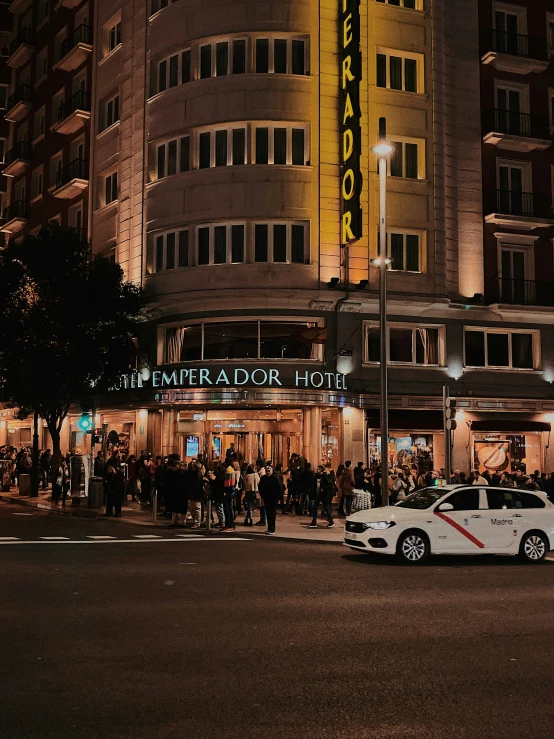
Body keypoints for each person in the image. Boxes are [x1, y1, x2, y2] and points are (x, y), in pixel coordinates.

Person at [165, 458, 189, 527]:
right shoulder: (175, 473)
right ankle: (174, 522)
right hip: (176, 493)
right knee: (174, 508)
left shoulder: (186, 474)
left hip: (183, 493)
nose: (181, 467)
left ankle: (183, 522)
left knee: (183, 509)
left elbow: (188, 484)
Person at [259, 464, 282, 535]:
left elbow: (279, 488)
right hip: (266, 498)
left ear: (271, 471)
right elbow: (260, 487)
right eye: (267, 470)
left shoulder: (275, 478)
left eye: (269, 470)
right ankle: (269, 528)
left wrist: (277, 497)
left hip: (273, 499)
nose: (268, 472)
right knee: (268, 513)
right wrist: (262, 495)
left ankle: (272, 529)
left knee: (272, 514)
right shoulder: (263, 478)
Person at [188, 461, 204, 528]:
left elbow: (197, 485)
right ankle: (195, 522)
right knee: (192, 508)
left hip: (197, 494)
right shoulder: (193, 474)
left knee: (197, 509)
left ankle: (197, 523)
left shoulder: (198, 474)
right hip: (193, 493)